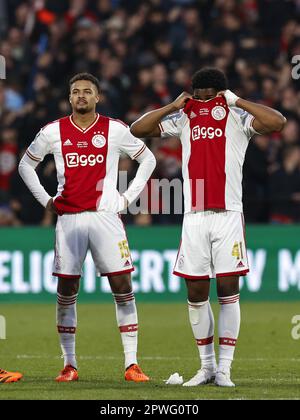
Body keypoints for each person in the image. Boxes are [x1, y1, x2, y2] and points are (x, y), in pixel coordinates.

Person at [130, 67, 286, 387]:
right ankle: (207, 367)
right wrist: (173, 106)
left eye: (207, 93)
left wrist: (238, 100)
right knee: (196, 291)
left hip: (228, 213)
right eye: (197, 93)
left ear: (219, 91)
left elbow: (277, 122)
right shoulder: (185, 117)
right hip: (195, 215)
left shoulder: (236, 115)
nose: (201, 98)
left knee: (229, 290)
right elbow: (137, 129)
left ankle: (225, 369)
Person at [19, 72, 156, 383]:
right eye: (76, 92)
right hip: (69, 219)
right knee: (67, 290)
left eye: (87, 92)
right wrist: (46, 200)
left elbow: (147, 159)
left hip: (106, 218)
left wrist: (126, 199)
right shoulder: (52, 132)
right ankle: (70, 364)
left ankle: (132, 364)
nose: (81, 96)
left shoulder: (115, 129)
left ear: (98, 97)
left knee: (122, 287)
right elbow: (25, 165)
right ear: (69, 98)